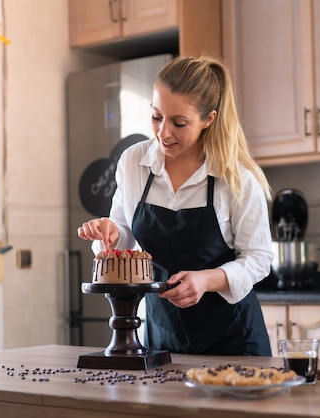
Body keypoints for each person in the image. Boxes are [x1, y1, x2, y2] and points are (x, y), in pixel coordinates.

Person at [77, 55, 274, 356]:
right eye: (157, 116)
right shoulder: (134, 162)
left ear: (209, 119)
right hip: (162, 334)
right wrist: (111, 232)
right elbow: (126, 232)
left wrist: (206, 280)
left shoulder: (236, 179)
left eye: (179, 123)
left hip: (233, 341)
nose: (163, 133)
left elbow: (258, 258)